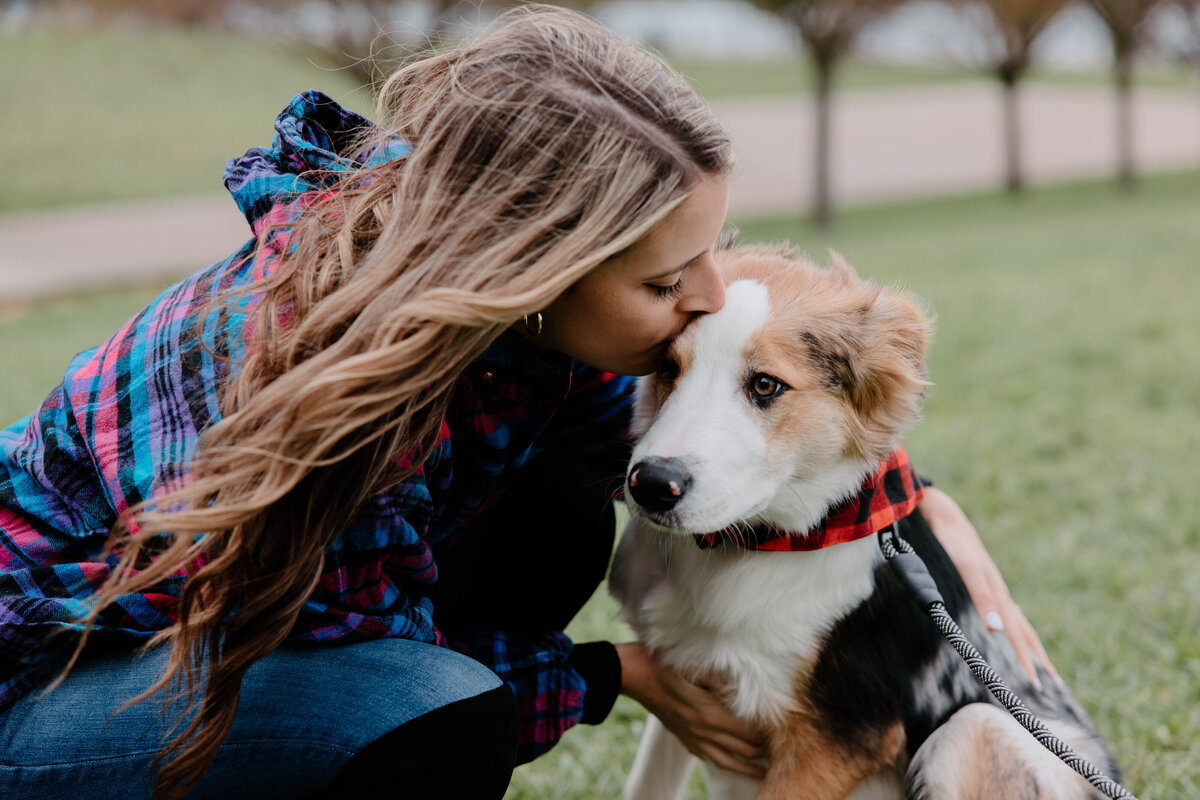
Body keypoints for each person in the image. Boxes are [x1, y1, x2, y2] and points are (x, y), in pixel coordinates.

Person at [0, 6, 1052, 800]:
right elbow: (354, 645)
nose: (704, 299)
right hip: (43, 687)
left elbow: (700, 451)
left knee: (558, 516)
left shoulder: (517, 332)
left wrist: (917, 513)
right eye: (663, 280)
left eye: (710, 257)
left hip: (201, 641)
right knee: (425, 710)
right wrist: (610, 670)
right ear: (541, 263)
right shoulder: (300, 354)